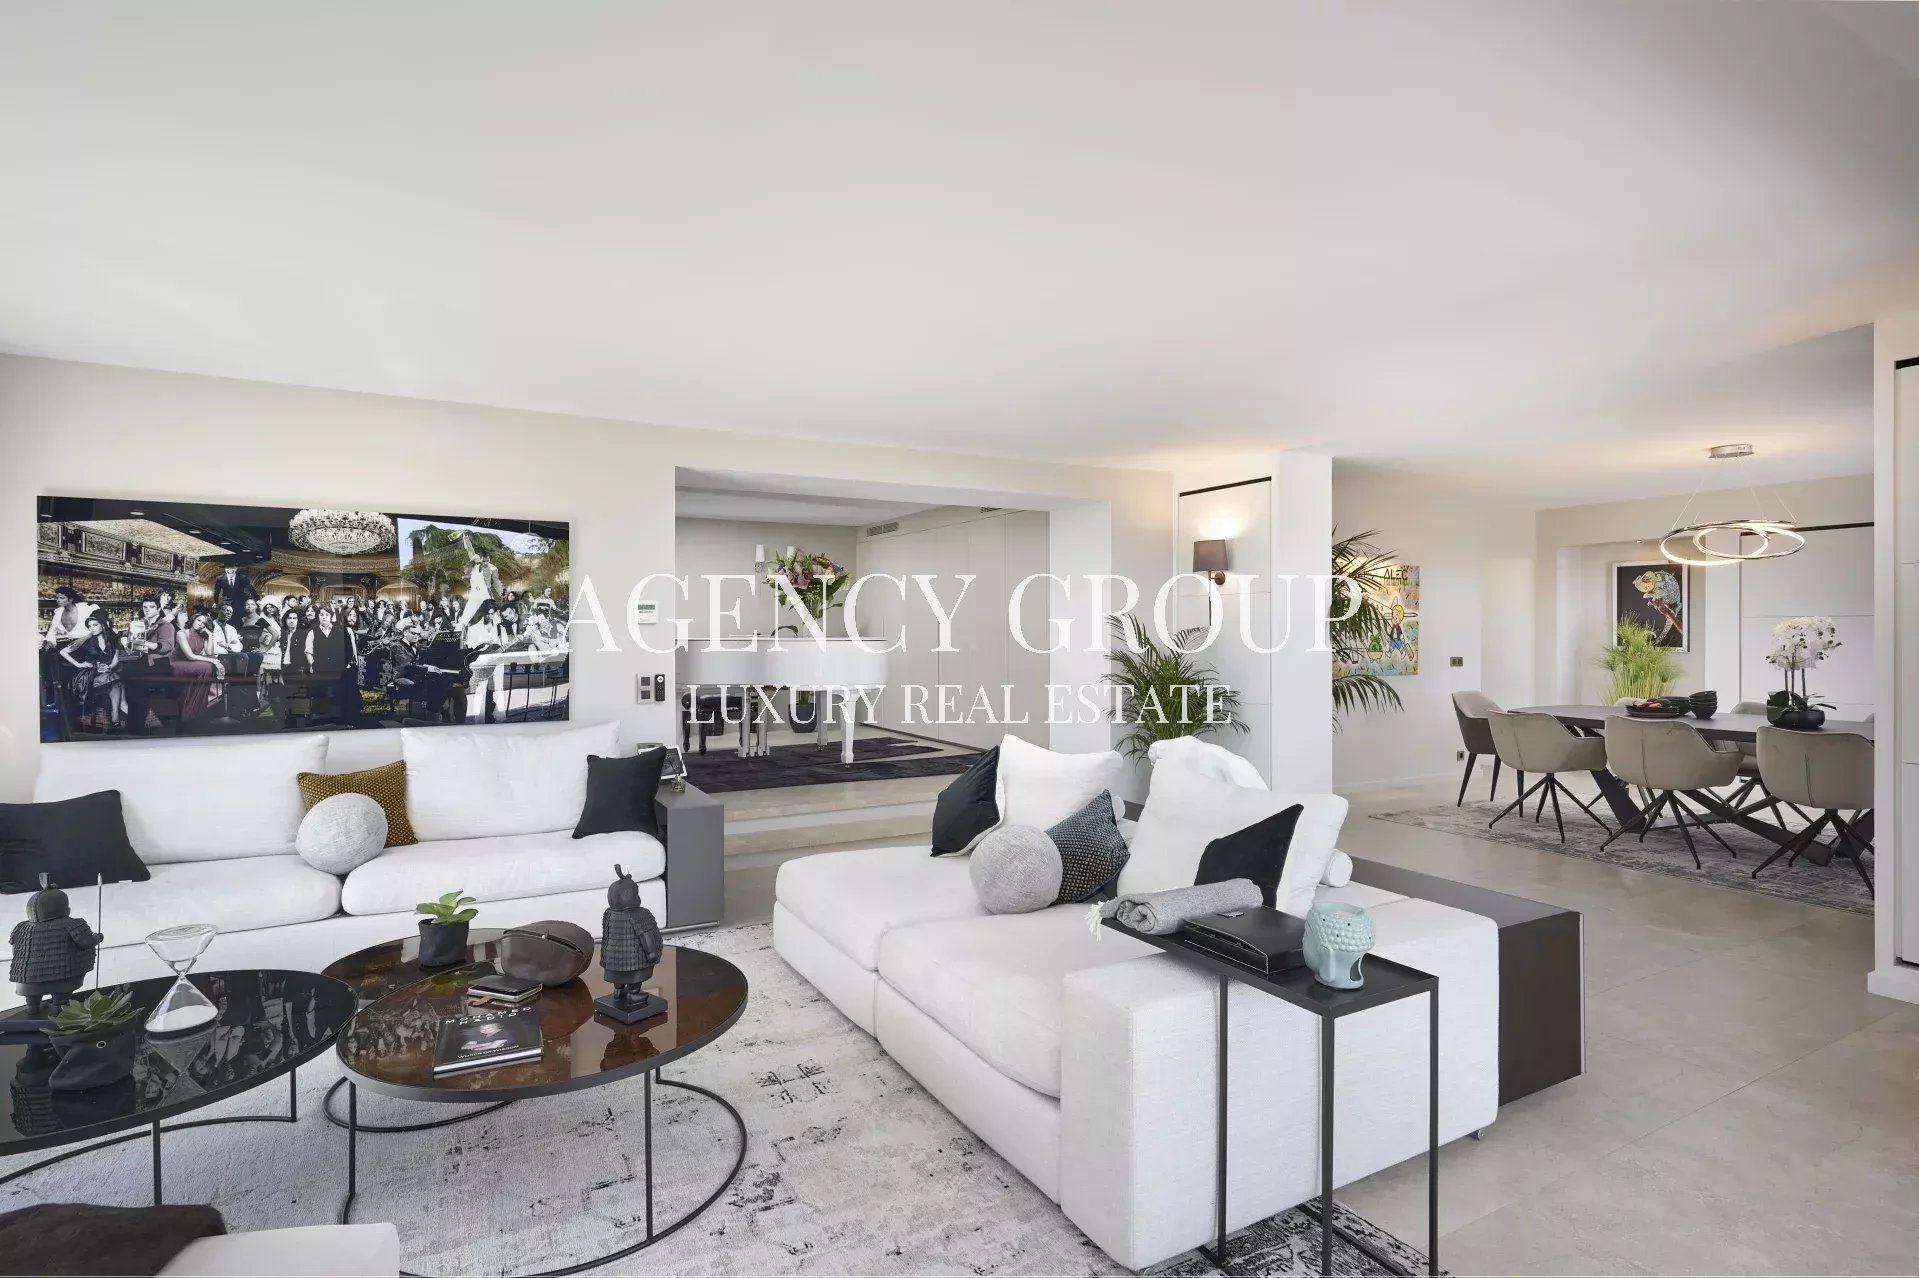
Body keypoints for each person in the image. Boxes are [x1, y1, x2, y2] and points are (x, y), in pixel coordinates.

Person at [59, 614, 126, 730]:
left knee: (113, 678)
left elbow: (115, 660)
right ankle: (115, 716)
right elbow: (63, 652)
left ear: (103, 625)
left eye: (95, 625)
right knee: (115, 680)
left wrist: (109, 667)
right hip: (87, 674)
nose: (92, 628)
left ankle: (115, 714)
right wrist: (79, 664)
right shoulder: (86, 641)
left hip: (104, 673)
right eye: (89, 626)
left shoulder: (112, 640)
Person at [171, 611, 225, 721]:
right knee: (208, 666)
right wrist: (212, 660)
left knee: (210, 664)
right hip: (176, 663)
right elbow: (190, 656)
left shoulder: (202, 635)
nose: (200, 624)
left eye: (203, 623)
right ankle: (191, 709)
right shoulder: (182, 633)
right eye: (198, 620)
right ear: (193, 619)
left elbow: (209, 653)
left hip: (191, 664)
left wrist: (209, 636)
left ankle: (198, 706)